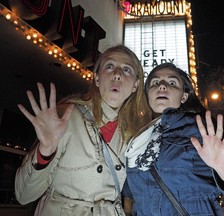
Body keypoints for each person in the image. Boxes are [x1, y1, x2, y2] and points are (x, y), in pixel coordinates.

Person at [14, 45, 152, 216]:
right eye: (109, 66)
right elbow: (24, 195)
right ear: (96, 78)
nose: (117, 74)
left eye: (126, 69)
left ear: (135, 85)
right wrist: (45, 152)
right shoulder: (65, 117)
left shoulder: (136, 134)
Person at [124, 63, 224, 215]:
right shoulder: (135, 140)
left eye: (172, 82)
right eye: (155, 82)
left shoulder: (201, 129)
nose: (162, 86)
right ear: (147, 94)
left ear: (184, 96)